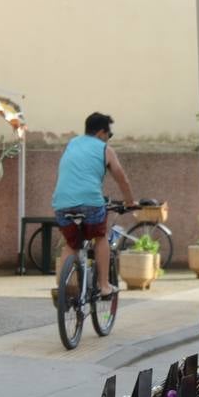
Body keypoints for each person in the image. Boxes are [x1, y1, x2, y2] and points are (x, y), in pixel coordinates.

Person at [52, 112, 137, 298]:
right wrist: (130, 202)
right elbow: (122, 178)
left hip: (61, 203)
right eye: (109, 135)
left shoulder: (72, 144)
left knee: (71, 244)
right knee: (100, 237)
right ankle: (104, 285)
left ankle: (62, 289)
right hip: (90, 203)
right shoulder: (104, 149)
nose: (109, 139)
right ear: (101, 132)